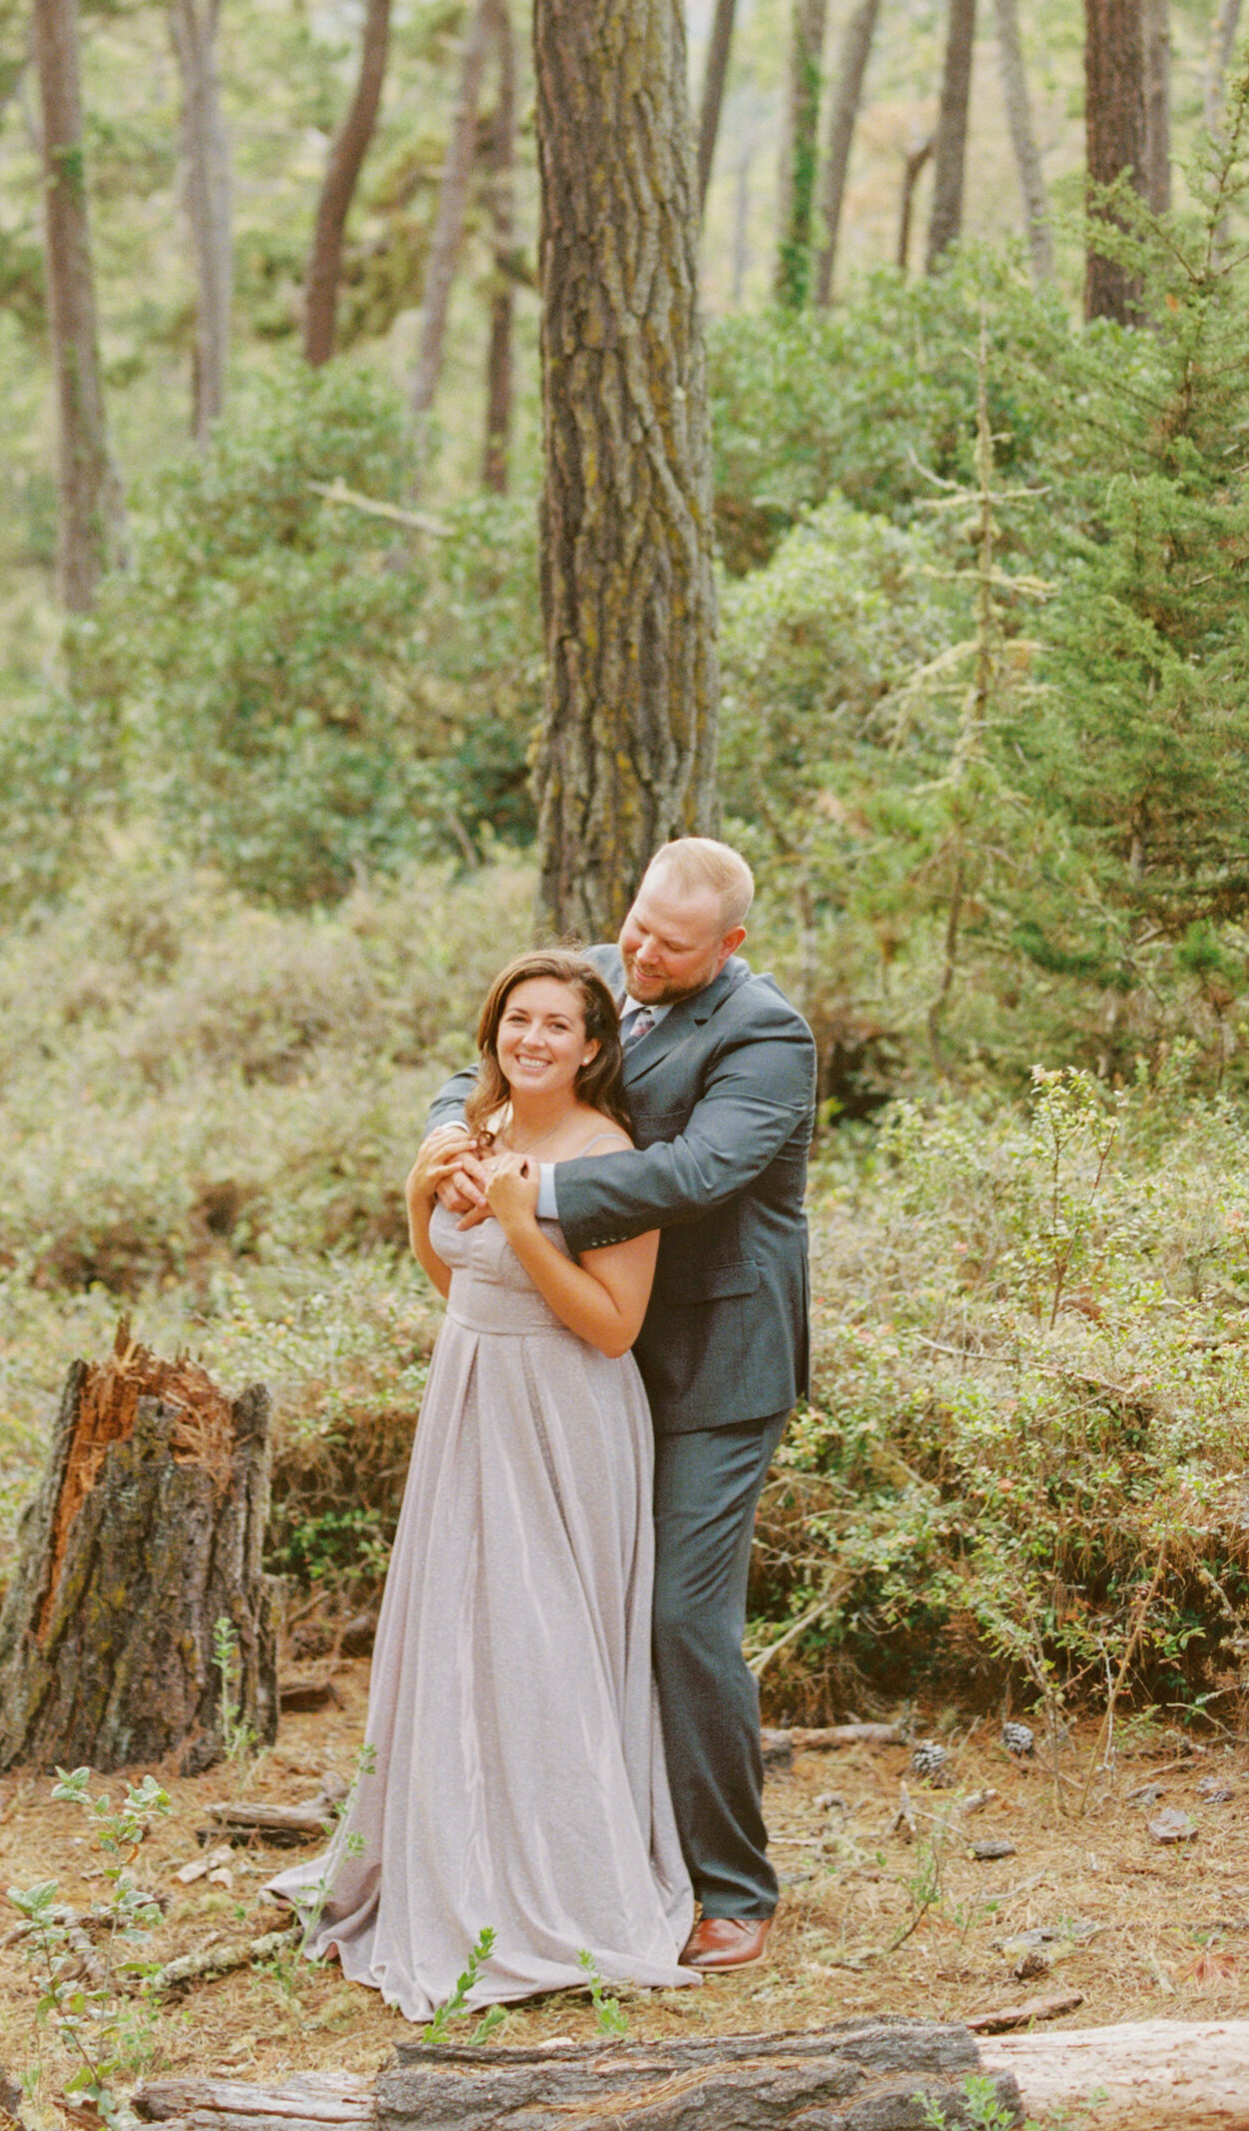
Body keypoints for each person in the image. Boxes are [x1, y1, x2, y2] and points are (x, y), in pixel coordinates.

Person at [418, 837, 816, 1976]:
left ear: (729, 947)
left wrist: (527, 1188)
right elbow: (489, 1064)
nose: (637, 952)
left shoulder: (766, 1038)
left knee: (681, 1619)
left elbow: (694, 1174)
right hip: (584, 1356)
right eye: (635, 924)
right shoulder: (602, 977)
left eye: (669, 945)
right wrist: (452, 1136)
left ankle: (734, 1889)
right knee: (567, 1604)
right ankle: (581, 1853)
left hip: (712, 1367)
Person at [274, 948, 696, 2019]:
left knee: (541, 1638)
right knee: (459, 1632)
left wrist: (520, 1222)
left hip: (562, 1415)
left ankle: (557, 1884)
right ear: (493, 1030)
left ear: (594, 1047)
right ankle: (447, 1853)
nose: (534, 1040)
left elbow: (612, 1330)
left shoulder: (612, 1161)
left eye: (559, 1025)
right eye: (519, 1020)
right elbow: (450, 1278)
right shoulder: (478, 1126)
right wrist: (421, 1200)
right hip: (466, 1396)